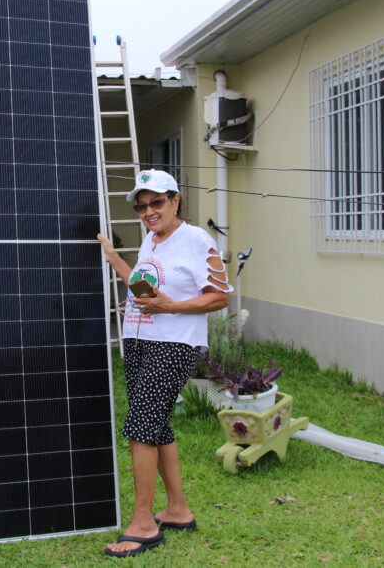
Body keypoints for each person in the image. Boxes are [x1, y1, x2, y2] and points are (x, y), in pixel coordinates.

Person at [97, 169, 232, 558]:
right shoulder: (152, 242)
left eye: (156, 202)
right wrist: (114, 259)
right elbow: (142, 288)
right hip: (141, 340)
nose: (149, 211)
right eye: (142, 206)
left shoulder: (195, 239)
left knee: (141, 426)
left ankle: (143, 524)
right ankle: (176, 510)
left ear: (175, 200)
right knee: (156, 425)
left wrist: (170, 306)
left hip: (173, 344)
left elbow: (219, 296)